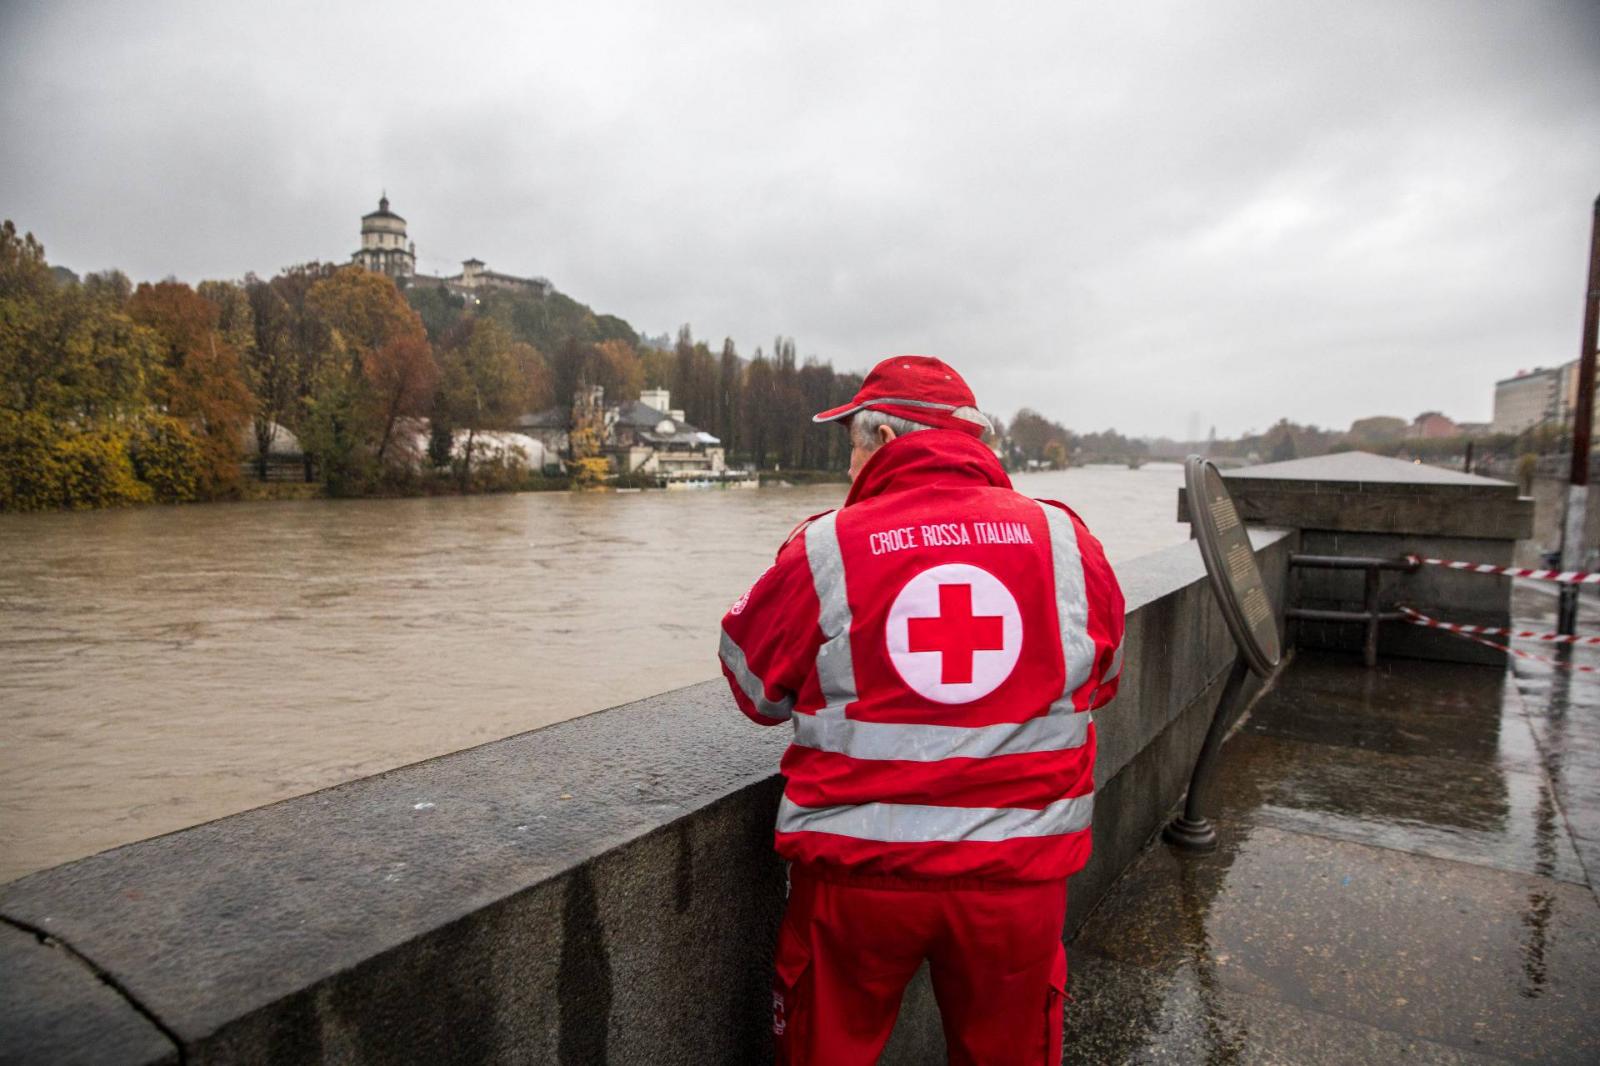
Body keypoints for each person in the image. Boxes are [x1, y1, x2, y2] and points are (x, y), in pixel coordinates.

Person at [717, 355, 1125, 1065]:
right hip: (1016, 884)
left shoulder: (826, 547)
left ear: (879, 439)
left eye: (851, 447)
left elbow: (754, 691)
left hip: (857, 885)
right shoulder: (1067, 542)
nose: (850, 467)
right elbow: (1103, 679)